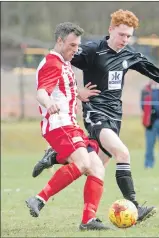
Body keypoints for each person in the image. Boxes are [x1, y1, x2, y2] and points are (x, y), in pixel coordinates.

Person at [32, 9, 159, 222]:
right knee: (123, 153)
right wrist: (72, 94)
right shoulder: (92, 51)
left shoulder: (130, 55)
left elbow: (149, 68)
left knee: (95, 169)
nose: (124, 40)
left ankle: (57, 160)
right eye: (121, 34)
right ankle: (135, 208)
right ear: (110, 30)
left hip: (115, 117)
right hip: (96, 114)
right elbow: (64, 59)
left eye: (129, 36)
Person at [25, 22, 111, 231]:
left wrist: (78, 94)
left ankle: (88, 220)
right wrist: (48, 103)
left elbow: (61, 89)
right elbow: (42, 91)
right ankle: (39, 198)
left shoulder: (64, 63)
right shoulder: (52, 63)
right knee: (82, 162)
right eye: (72, 45)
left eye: (77, 46)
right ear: (59, 41)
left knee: (97, 167)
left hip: (70, 124)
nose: (75, 50)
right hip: (58, 124)